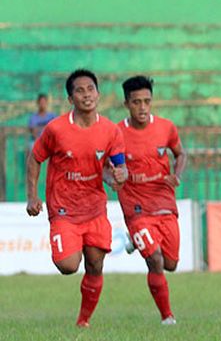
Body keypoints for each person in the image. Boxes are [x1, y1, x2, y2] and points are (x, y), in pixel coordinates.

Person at [25, 69, 127, 328]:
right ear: (71, 99)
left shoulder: (111, 131)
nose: (86, 95)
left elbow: (116, 168)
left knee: (95, 265)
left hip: (94, 209)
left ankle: (83, 321)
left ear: (98, 93)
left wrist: (118, 176)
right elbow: (35, 158)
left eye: (90, 89)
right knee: (68, 265)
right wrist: (32, 196)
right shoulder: (56, 129)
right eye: (79, 91)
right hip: (64, 210)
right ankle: (73, 241)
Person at [110, 75, 187, 325]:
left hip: (164, 202)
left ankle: (136, 240)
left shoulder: (166, 127)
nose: (142, 107)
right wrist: (111, 178)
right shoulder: (116, 133)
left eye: (147, 101)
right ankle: (167, 317)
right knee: (154, 260)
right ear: (126, 104)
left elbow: (181, 153)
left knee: (171, 264)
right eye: (136, 102)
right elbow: (100, 163)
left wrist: (177, 174)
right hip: (136, 206)